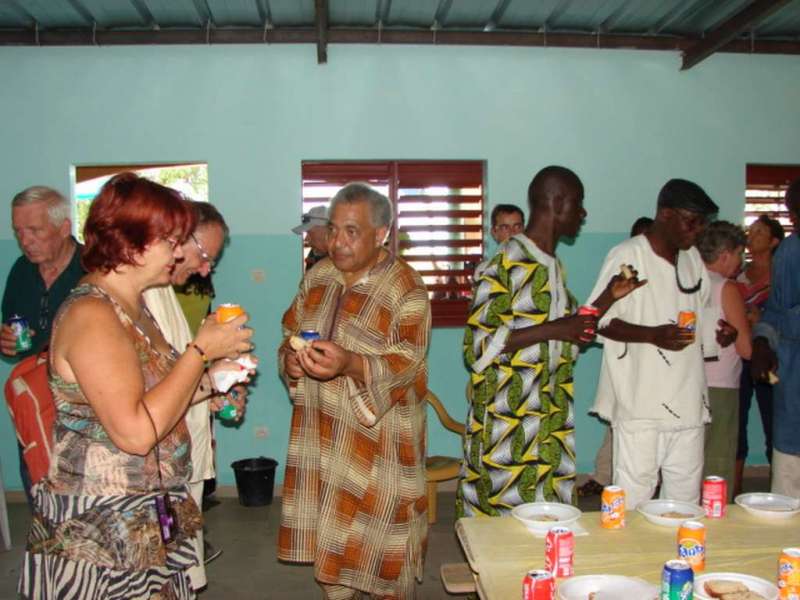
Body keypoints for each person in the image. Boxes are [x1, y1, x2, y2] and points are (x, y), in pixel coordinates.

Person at [18, 173, 253, 599]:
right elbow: (135, 432)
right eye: (173, 241)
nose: (180, 253)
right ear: (133, 242)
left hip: (150, 512)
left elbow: (159, 394)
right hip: (101, 529)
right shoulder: (92, 314)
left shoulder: (136, 305)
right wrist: (199, 351)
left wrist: (212, 381)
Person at [457, 166, 642, 517]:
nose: (584, 214)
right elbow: (477, 347)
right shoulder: (505, 264)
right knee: (503, 527)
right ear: (558, 203)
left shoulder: (553, 266)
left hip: (549, 417)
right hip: (508, 423)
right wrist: (556, 328)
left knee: (548, 522)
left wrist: (608, 297)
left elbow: (569, 335)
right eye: (579, 204)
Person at [277, 182, 431, 600]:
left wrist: (349, 363)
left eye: (351, 231)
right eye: (333, 230)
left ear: (381, 234)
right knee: (334, 547)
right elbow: (291, 330)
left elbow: (407, 362)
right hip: (322, 436)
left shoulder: (406, 288)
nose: (337, 242)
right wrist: (289, 361)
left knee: (385, 552)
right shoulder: (318, 277)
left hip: (382, 445)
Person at [588, 178, 719, 510]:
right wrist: (652, 334)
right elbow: (598, 322)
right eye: (692, 221)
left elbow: (701, 314)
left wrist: (721, 331)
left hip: (688, 401)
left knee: (685, 497)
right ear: (665, 214)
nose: (698, 230)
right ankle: (631, 562)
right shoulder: (629, 255)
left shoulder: (692, 261)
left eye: (703, 223)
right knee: (633, 495)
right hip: (641, 403)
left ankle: (680, 559)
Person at [143, 200, 248, 592]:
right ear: (175, 239)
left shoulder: (167, 291)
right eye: (204, 256)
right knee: (165, 561)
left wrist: (214, 388)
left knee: (180, 561)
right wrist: (207, 363)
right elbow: (152, 391)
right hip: (157, 470)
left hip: (180, 458)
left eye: (212, 262)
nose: (205, 271)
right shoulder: (138, 298)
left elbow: (177, 374)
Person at [2, 185, 85, 507]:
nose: (25, 241)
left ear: (64, 227)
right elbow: (14, 329)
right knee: (36, 474)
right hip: (36, 399)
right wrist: (8, 342)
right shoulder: (21, 271)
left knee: (81, 485)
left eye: (34, 230)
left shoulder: (92, 269)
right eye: (18, 231)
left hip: (83, 400)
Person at [578, 215, 654, 498]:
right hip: (625, 364)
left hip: (657, 372)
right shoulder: (619, 274)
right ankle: (604, 477)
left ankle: (613, 481)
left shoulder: (668, 276)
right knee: (620, 424)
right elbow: (594, 320)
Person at [751, 178, 800, 499]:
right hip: (794, 374)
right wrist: (761, 343)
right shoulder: (791, 252)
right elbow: (776, 310)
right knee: (790, 472)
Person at [697, 221, 750, 500]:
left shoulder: (688, 281)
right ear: (726, 254)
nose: (741, 262)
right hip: (721, 385)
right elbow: (746, 349)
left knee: (690, 460)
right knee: (718, 460)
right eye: (740, 254)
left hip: (690, 383)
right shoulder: (726, 288)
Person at [734, 214, 784, 495]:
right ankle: (734, 491)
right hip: (740, 357)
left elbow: (783, 314)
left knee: (774, 419)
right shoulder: (739, 273)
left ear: (775, 241)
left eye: (760, 232)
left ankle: (779, 485)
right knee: (737, 423)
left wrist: (760, 318)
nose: (752, 236)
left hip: (771, 358)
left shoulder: (781, 274)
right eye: (751, 230)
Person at [472, 204, 525, 280]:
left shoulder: (538, 267)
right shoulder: (484, 271)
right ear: (494, 232)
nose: (513, 232)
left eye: (517, 226)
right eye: (505, 228)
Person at [292, 205, 329, 270]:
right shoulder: (315, 253)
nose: (306, 239)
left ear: (327, 231)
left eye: (310, 233)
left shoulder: (344, 263)